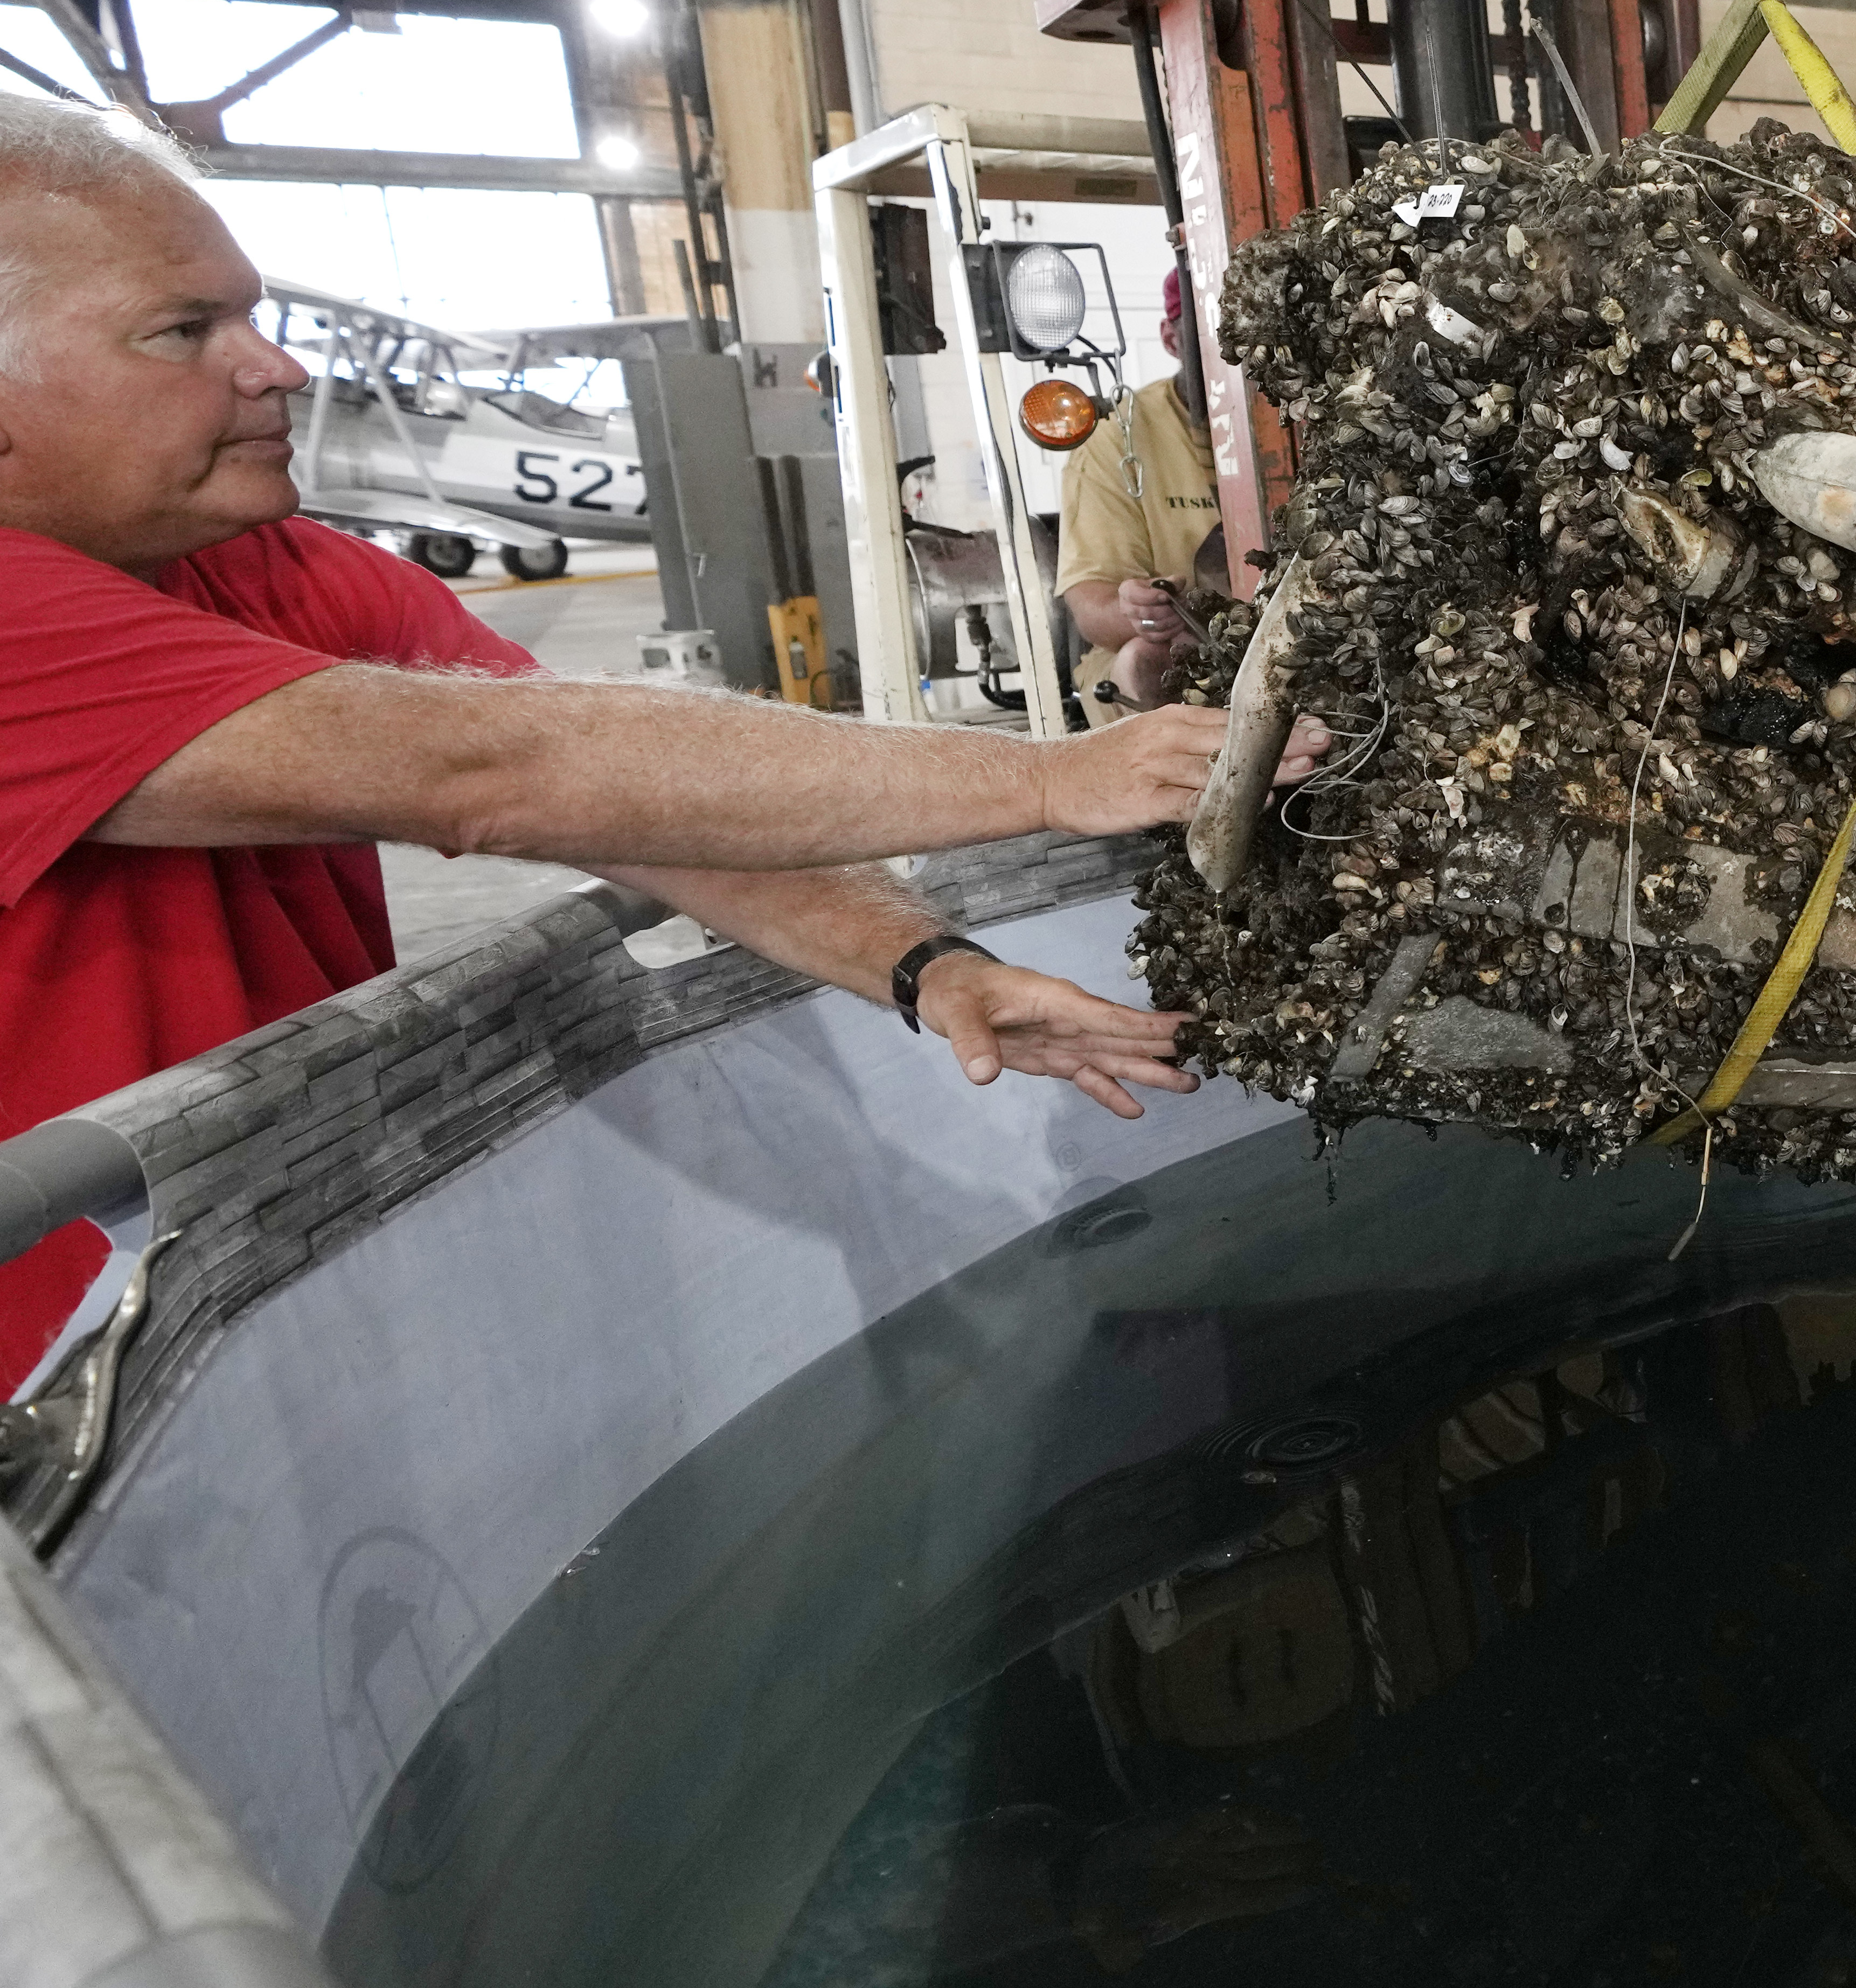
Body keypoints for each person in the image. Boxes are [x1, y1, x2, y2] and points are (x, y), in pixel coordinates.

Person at [0, 102, 1324, 1379]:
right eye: (181, 331)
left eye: (253, 312)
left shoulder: (275, 568)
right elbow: (497, 775)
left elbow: (627, 797)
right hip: (50, 1396)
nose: (276, 365)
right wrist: (1045, 777)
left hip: (228, 1305)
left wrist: (925, 963)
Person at [1057, 268, 1227, 712]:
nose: (1232, 361)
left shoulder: (1306, 418)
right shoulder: (1118, 437)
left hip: (1290, 636)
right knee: (1145, 660)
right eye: (1211, 344)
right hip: (1177, 647)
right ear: (1171, 340)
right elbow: (1091, 606)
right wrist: (1140, 613)